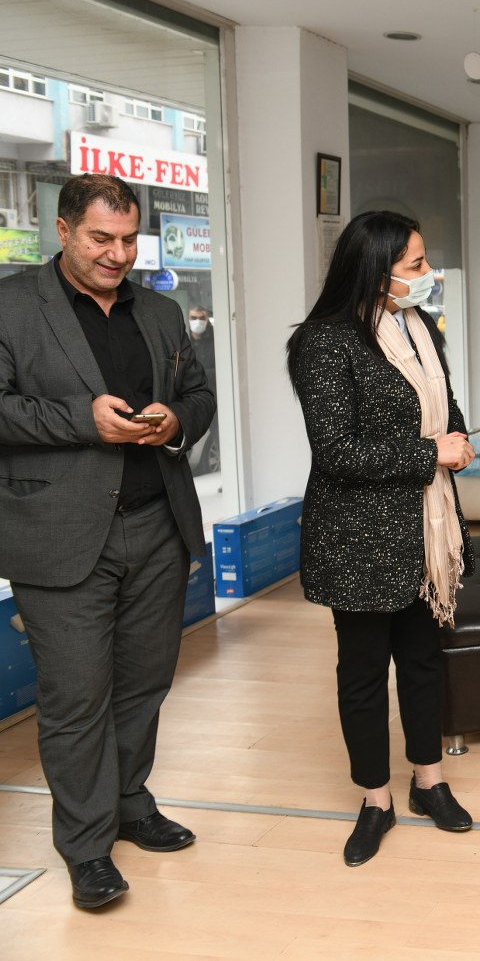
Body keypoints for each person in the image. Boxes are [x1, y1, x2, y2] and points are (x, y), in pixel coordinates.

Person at [0, 173, 215, 910]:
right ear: (62, 230)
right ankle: (87, 846)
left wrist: (176, 420)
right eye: (101, 239)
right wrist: (82, 420)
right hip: (58, 533)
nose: (117, 255)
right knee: (76, 697)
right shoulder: (11, 305)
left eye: (128, 240)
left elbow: (200, 395)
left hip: (157, 523)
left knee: (145, 681)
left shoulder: (160, 309)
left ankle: (129, 802)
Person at [286, 210, 476, 866]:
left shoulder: (419, 326)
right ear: (375, 270)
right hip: (358, 541)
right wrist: (431, 454)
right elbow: (337, 452)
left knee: (423, 661)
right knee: (364, 673)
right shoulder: (324, 342)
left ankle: (429, 782)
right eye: (417, 264)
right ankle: (375, 799)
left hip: (425, 532)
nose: (428, 273)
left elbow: (442, 405)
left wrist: (458, 438)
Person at [186, 306, 221, 474]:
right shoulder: (184, 343)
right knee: (186, 439)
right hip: (190, 400)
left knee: (220, 437)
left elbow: (222, 369)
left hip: (214, 399)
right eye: (194, 318)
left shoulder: (216, 341)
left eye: (201, 318)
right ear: (188, 319)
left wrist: (198, 373)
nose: (197, 322)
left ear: (207, 321)